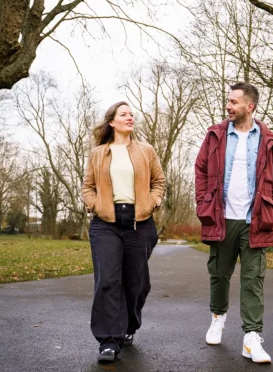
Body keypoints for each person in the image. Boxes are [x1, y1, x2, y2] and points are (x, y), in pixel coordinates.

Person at [194, 82, 273, 364]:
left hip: (255, 219)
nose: (228, 106)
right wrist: (203, 202)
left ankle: (251, 338)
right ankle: (218, 318)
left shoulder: (268, 139)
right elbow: (201, 169)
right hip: (222, 217)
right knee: (219, 274)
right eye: (228, 101)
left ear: (249, 106)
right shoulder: (215, 135)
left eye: (234, 102)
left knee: (253, 279)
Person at [82, 101, 165, 363]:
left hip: (139, 222)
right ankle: (108, 340)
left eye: (131, 114)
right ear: (112, 122)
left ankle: (129, 324)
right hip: (105, 223)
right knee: (108, 280)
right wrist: (94, 204)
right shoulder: (98, 153)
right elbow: (87, 187)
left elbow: (159, 181)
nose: (130, 117)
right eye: (123, 114)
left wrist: (153, 202)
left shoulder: (146, 150)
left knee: (137, 283)